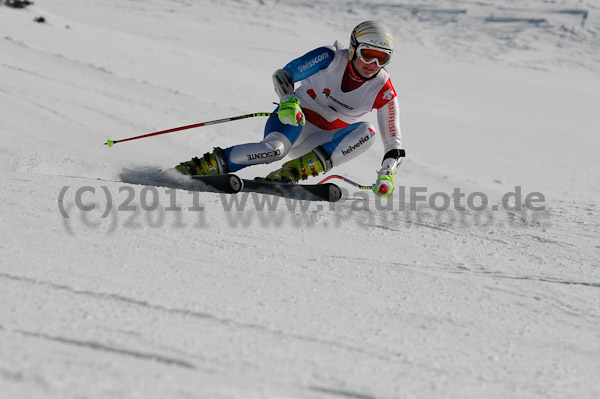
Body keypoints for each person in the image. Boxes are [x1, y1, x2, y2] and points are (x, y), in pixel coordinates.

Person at [175, 20, 405, 197]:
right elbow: (284, 74)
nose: (373, 65)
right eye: (368, 55)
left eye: (382, 58)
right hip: (295, 118)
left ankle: (290, 173)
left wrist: (387, 173)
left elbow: (394, 146)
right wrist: (288, 100)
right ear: (354, 48)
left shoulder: (383, 89)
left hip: (322, 143)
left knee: (368, 132)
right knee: (274, 150)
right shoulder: (330, 57)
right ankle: (197, 167)